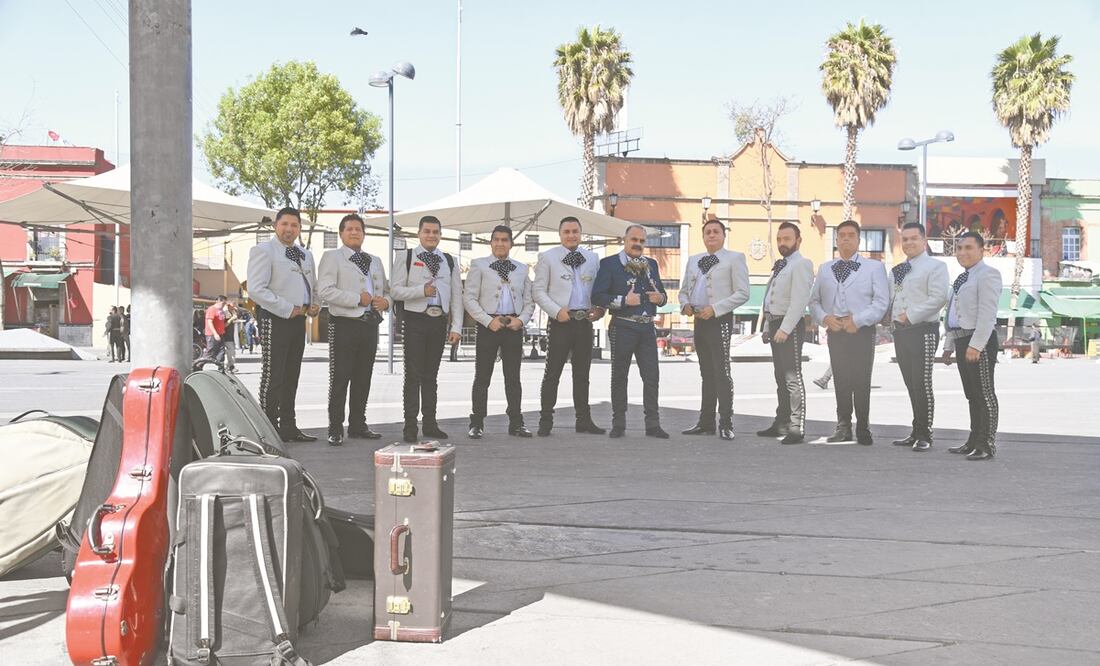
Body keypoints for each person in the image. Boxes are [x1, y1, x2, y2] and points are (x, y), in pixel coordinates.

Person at [809, 220, 890, 445]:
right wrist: (825, 318)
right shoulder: (825, 268)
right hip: (835, 330)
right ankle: (843, 427)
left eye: (850, 235)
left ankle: (864, 428)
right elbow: (813, 301)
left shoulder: (874, 267)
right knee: (841, 380)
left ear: (858, 239)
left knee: (861, 380)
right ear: (836, 240)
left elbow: (881, 302)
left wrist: (859, 320)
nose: (845, 238)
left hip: (861, 331)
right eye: (841, 235)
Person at [246, 206, 319, 443]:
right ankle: (268, 430)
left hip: (299, 320)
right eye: (285, 224)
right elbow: (256, 289)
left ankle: (288, 426)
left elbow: (312, 285)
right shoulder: (263, 251)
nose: (289, 229)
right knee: (273, 375)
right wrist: (287, 308)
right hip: (274, 318)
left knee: (292, 375)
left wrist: (314, 303)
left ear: (300, 228)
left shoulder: (305, 254)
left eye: (294, 225)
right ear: (276, 226)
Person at [317, 213, 389, 446]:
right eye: (349, 229)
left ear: (364, 233)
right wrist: (357, 298)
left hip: (370, 324)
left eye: (359, 229)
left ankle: (358, 424)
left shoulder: (375, 260)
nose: (355, 232)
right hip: (344, 323)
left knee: (363, 377)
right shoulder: (332, 257)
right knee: (340, 377)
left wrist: (385, 302)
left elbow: (386, 290)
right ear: (341, 233)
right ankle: (335, 427)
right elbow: (325, 291)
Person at [591, 224, 669, 439]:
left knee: (652, 376)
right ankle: (619, 423)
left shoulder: (651, 264)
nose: (638, 244)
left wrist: (660, 298)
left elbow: (662, 295)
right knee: (619, 376)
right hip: (622, 325)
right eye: (634, 240)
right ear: (624, 240)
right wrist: (624, 300)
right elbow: (597, 296)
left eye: (642, 241)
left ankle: (653, 425)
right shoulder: (609, 264)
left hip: (647, 327)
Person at [391, 215, 463, 443]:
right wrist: (421, 291)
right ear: (419, 234)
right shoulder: (407, 257)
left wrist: (457, 326)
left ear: (440, 235)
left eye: (435, 232)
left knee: (431, 376)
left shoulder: (449, 260)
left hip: (438, 321)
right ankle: (410, 426)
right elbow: (395, 291)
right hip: (415, 320)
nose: (431, 236)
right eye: (427, 231)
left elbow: (457, 298)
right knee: (413, 375)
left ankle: (430, 424)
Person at [532, 216, 606, 436]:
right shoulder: (548, 257)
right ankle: (545, 421)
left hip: (584, 322)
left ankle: (583, 420)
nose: (571, 235)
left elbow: (599, 288)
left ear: (580, 233)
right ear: (560, 234)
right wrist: (556, 311)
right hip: (560, 322)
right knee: (552, 373)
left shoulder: (593, 258)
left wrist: (600, 308)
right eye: (567, 232)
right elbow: (538, 291)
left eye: (575, 231)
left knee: (582, 374)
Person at [679, 219, 750, 440]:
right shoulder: (693, 260)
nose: (711, 235)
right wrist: (685, 305)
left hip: (719, 320)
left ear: (723, 235)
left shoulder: (734, 259)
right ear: (703, 236)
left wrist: (716, 309)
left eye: (716, 232)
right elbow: (683, 291)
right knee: (706, 373)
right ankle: (705, 422)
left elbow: (742, 293)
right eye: (707, 232)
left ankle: (726, 423)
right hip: (699, 321)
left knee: (722, 372)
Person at [463, 225, 535, 439]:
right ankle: (477, 423)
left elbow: (530, 301)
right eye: (496, 239)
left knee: (513, 377)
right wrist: (487, 321)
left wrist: (521, 320)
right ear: (491, 242)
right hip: (489, 326)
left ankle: (516, 422)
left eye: (505, 240)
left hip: (513, 325)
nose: (500, 243)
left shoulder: (522, 269)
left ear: (511, 243)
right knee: (482, 376)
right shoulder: (479, 265)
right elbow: (469, 298)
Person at [889, 222, 950, 452]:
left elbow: (939, 298)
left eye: (914, 238)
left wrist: (910, 315)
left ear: (924, 241)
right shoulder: (897, 269)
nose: (909, 243)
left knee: (922, 382)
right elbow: (891, 298)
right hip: (900, 332)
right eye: (904, 239)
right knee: (910, 383)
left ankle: (925, 433)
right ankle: (915, 430)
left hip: (923, 329)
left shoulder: (936, 266)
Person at [942, 232, 1002, 461]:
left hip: (979, 341)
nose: (962, 253)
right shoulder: (962, 278)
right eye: (959, 248)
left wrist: (976, 345)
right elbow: (953, 314)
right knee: (972, 394)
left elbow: (988, 315)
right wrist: (949, 344)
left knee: (985, 394)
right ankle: (973, 440)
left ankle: (986, 444)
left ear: (981, 250)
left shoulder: (988, 274)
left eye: (968, 248)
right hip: (961, 339)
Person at [757, 222, 815, 444]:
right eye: (779, 239)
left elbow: (800, 301)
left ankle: (796, 427)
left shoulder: (802, 264)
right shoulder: (781, 265)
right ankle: (781, 422)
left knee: (792, 376)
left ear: (798, 241)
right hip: (775, 324)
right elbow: (769, 299)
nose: (782, 243)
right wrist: (766, 327)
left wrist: (784, 329)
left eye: (787, 239)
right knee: (780, 377)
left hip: (788, 326)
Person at [199, 295, 228, 369]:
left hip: (221, 333)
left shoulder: (220, 311)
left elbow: (223, 323)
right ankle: (199, 365)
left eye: (225, 303)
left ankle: (221, 367)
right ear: (218, 301)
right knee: (210, 351)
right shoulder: (212, 309)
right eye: (223, 303)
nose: (224, 305)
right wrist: (215, 334)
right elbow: (209, 322)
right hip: (212, 334)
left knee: (222, 351)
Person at [221, 300, 240, 373]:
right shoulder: (224, 313)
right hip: (226, 336)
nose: (234, 308)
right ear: (228, 305)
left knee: (231, 352)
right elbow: (224, 325)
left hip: (231, 336)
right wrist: (232, 318)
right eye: (233, 306)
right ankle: (228, 367)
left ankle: (230, 367)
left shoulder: (231, 312)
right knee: (229, 352)